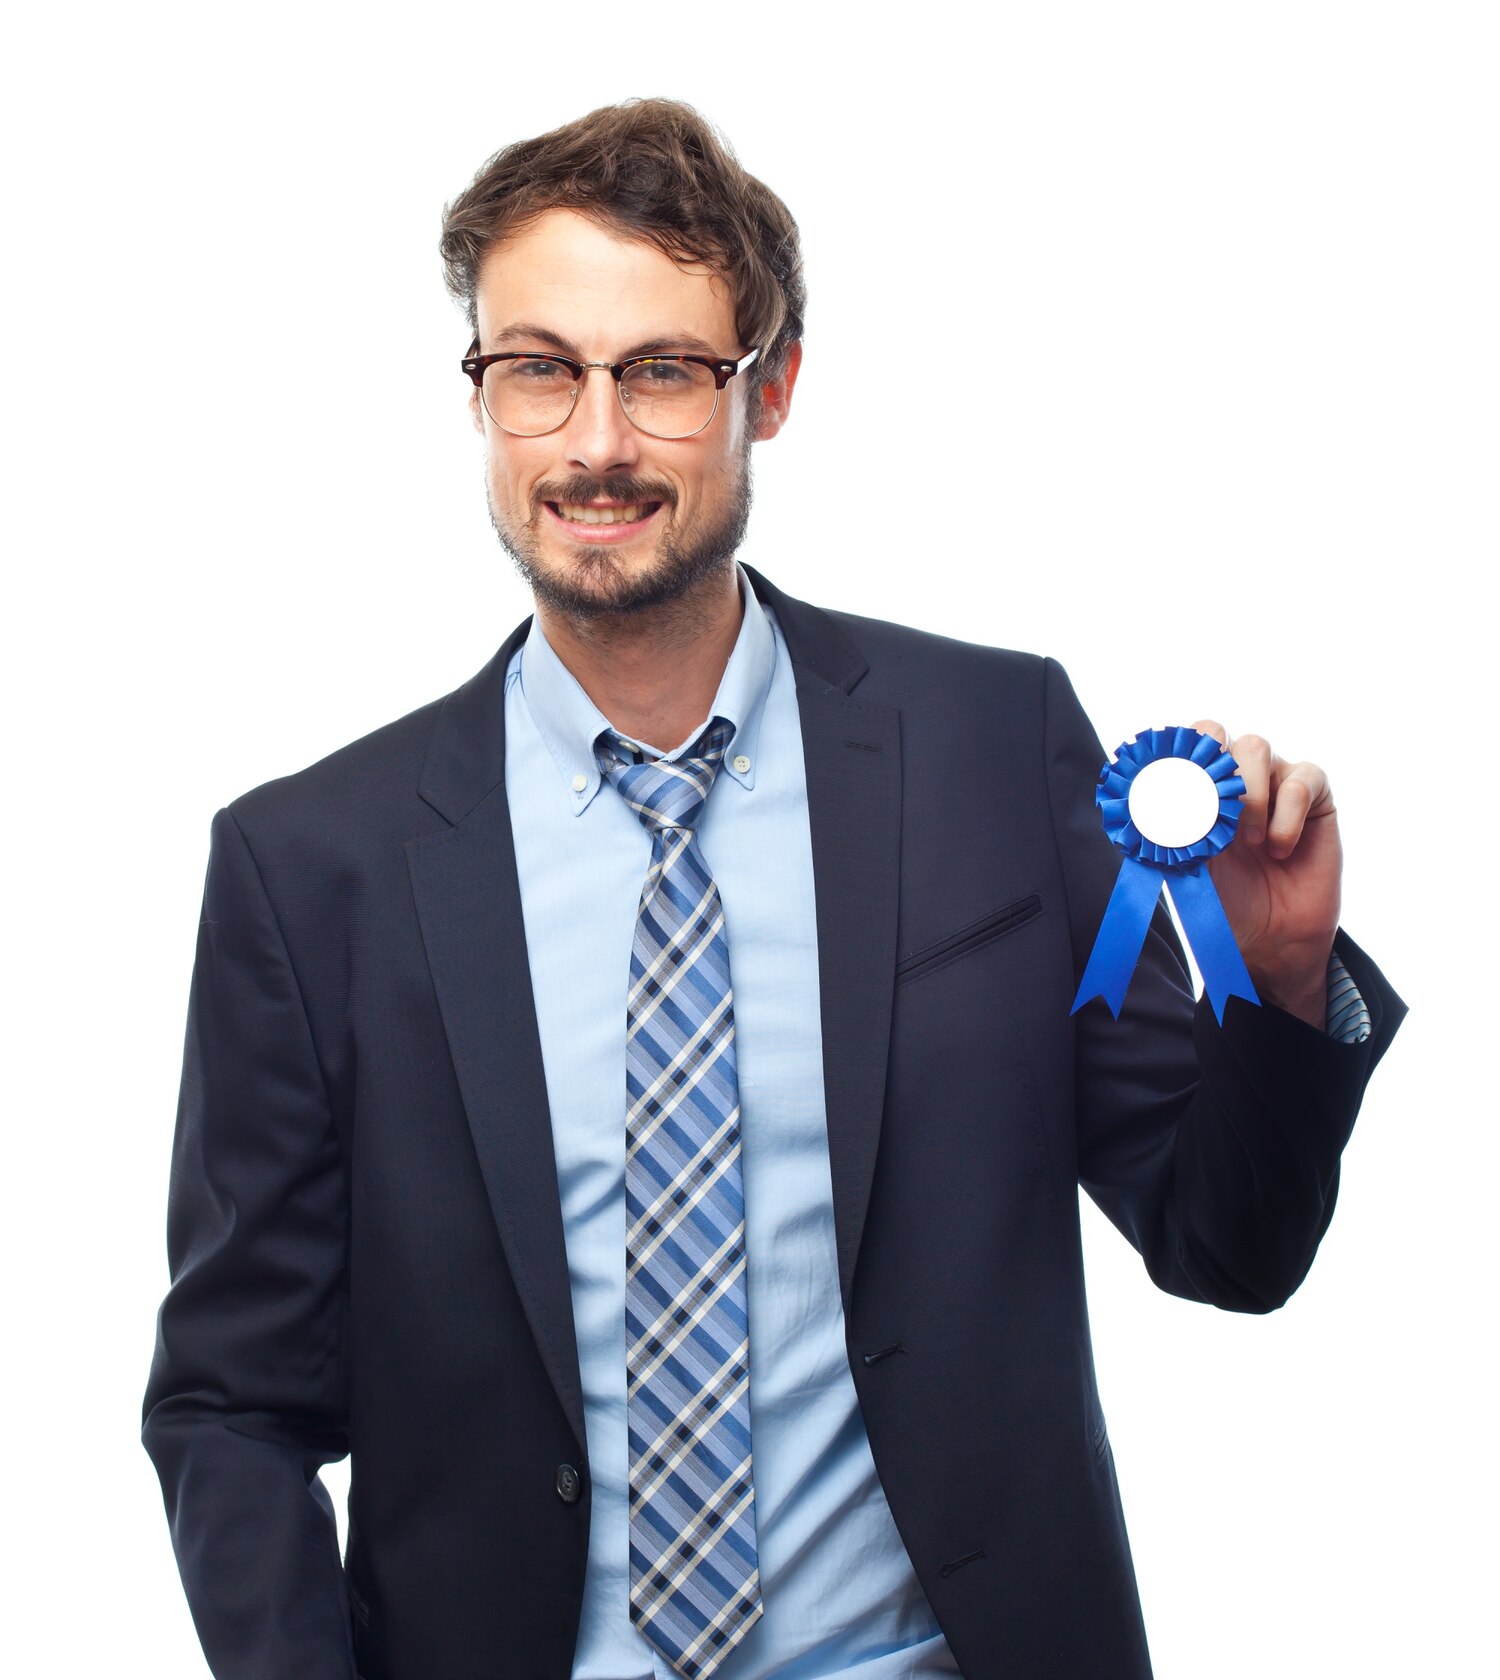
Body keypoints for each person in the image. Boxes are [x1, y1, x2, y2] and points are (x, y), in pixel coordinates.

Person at [142, 98, 1405, 1680]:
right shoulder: (307, 866)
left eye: (663, 372)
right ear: (482, 396)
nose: (596, 442)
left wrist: (1279, 990)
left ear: (774, 388)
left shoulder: (989, 749)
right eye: (539, 369)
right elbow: (232, 1403)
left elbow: (1231, 1243)